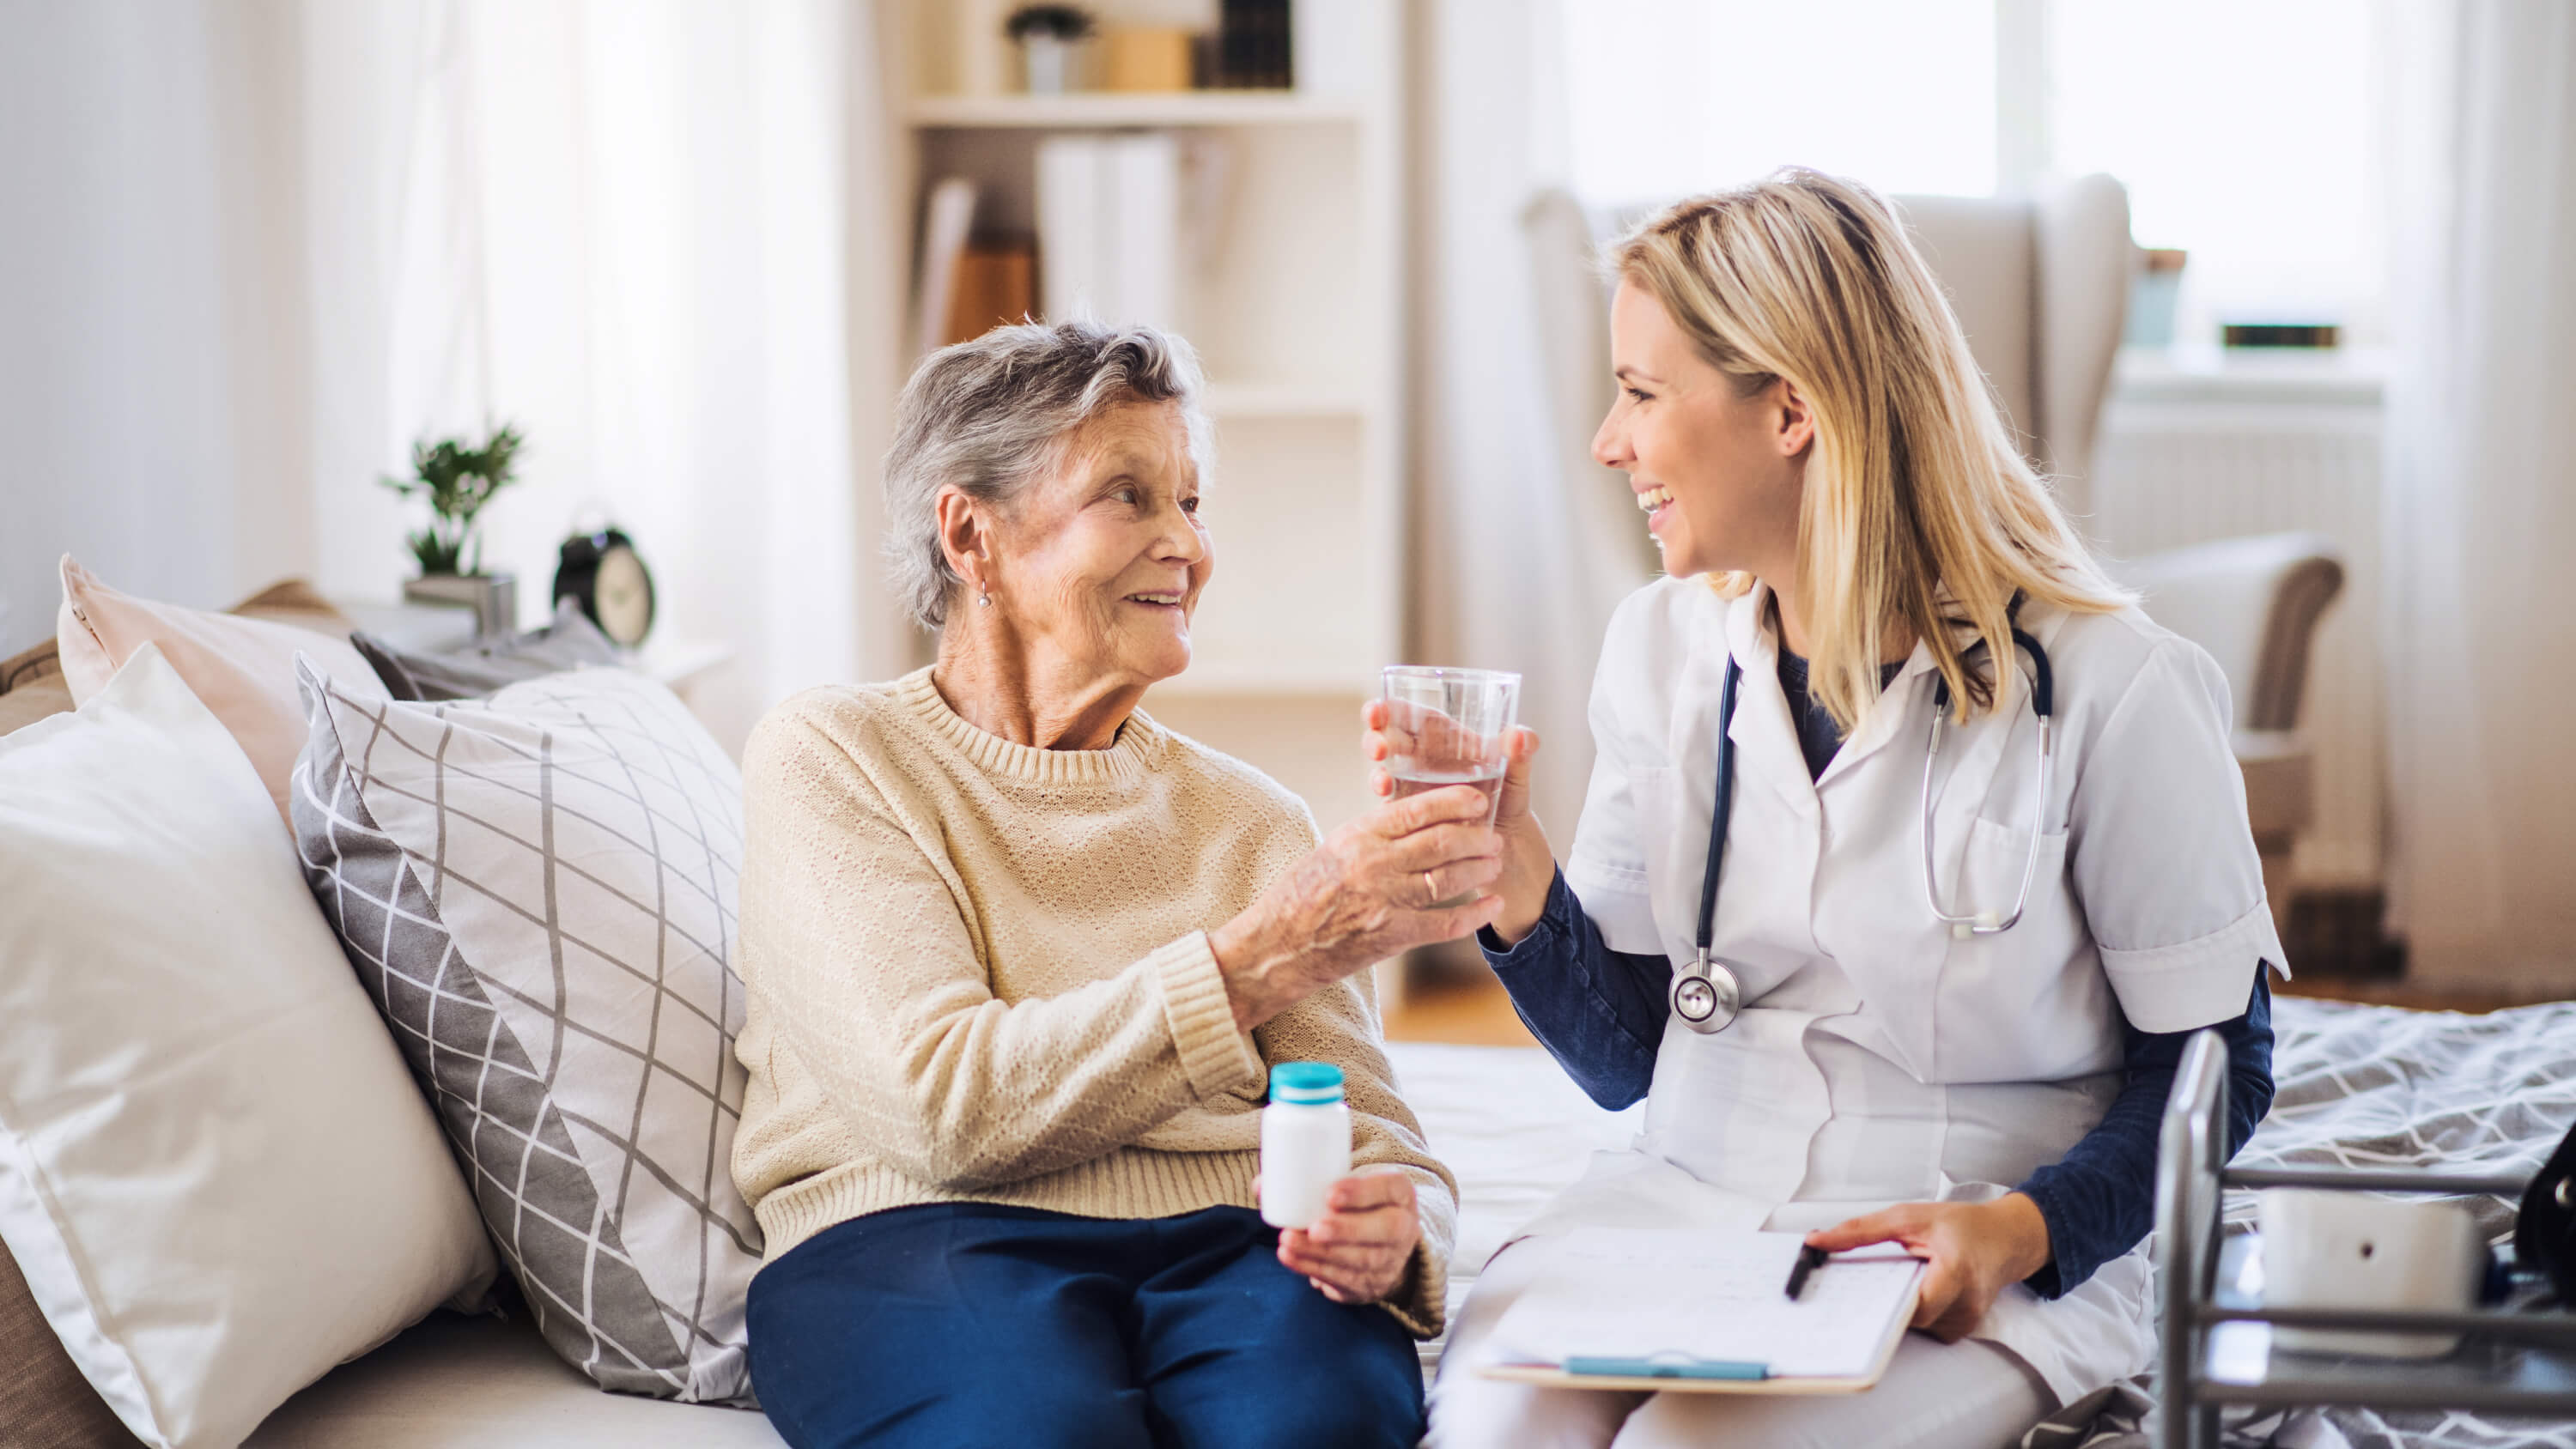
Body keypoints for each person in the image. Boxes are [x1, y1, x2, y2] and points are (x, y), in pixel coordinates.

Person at [1408, 170, 2282, 1448]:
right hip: (1680, 1204)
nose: (1610, 441)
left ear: (1794, 411)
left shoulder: (2117, 686)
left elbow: (2217, 1064)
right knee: (1497, 1438)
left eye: (1642, 395)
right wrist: (1516, 874)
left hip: (1958, 1240)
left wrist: (2028, 1229)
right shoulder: (1659, 649)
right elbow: (1623, 1061)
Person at [733, 321, 1494, 1449]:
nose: (1185, 542)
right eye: (1128, 497)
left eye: (1192, 502)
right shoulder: (835, 758)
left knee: (1319, 1427)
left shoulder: (1250, 817)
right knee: (1040, 1434)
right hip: (915, 1239)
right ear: (971, 535)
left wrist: (1404, 1227)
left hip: (1237, 1244)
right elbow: (945, 1110)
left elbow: (1376, 1132)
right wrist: (1261, 956)